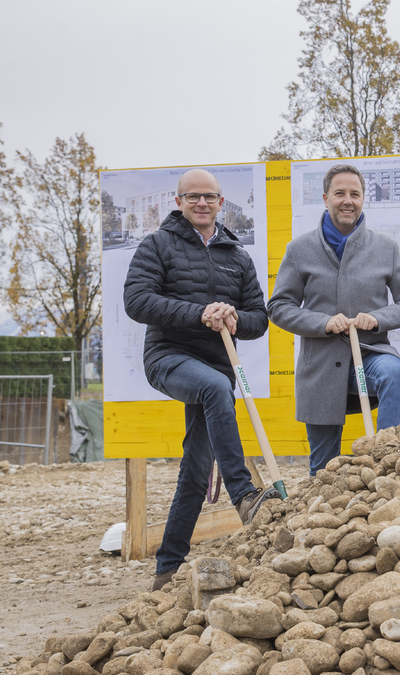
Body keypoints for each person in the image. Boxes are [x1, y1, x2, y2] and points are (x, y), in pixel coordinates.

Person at [123, 168, 277, 591]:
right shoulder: (157, 244)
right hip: (168, 357)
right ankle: (243, 494)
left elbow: (259, 318)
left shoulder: (236, 255)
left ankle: (167, 569)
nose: (202, 203)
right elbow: (137, 300)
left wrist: (234, 316)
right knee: (214, 386)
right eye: (192, 197)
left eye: (209, 196)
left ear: (220, 202)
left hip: (217, 366)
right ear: (179, 202)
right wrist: (200, 313)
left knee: (195, 468)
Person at [269, 164, 400, 476]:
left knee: (394, 372)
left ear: (363, 199)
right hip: (320, 368)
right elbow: (279, 307)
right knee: (323, 472)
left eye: (355, 194)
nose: (347, 200)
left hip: (370, 355)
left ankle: (390, 463)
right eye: (339, 193)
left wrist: (378, 318)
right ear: (325, 198)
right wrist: (322, 323)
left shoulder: (386, 248)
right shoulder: (299, 249)